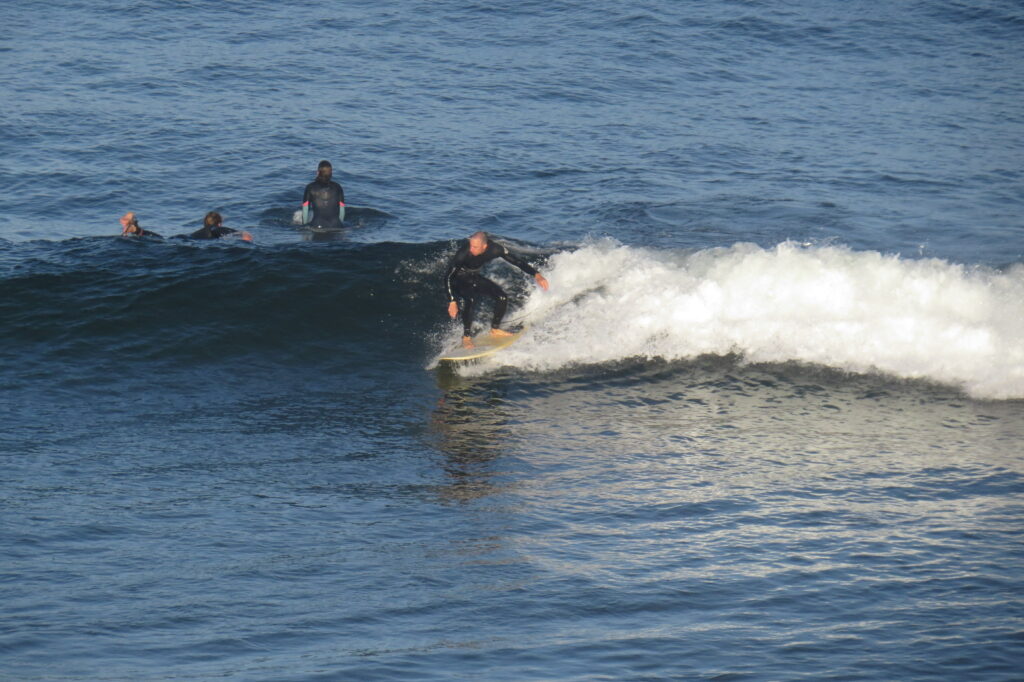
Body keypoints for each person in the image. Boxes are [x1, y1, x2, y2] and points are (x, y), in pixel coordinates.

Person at [445, 231, 549, 349]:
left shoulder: (495, 249)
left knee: (502, 297)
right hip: (458, 278)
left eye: (475, 247)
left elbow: (516, 261)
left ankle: (495, 330)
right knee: (470, 300)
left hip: (474, 276)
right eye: (471, 245)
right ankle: (466, 337)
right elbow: (448, 277)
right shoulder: (463, 253)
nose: (472, 249)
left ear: (485, 246)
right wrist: (452, 301)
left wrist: (536, 275)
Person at [302, 160, 346, 229]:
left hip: (317, 226)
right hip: (336, 226)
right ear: (331, 173)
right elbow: (342, 210)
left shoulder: (310, 188)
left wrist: (304, 226)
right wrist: (340, 225)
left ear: (317, 173)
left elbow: (305, 210)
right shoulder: (338, 187)